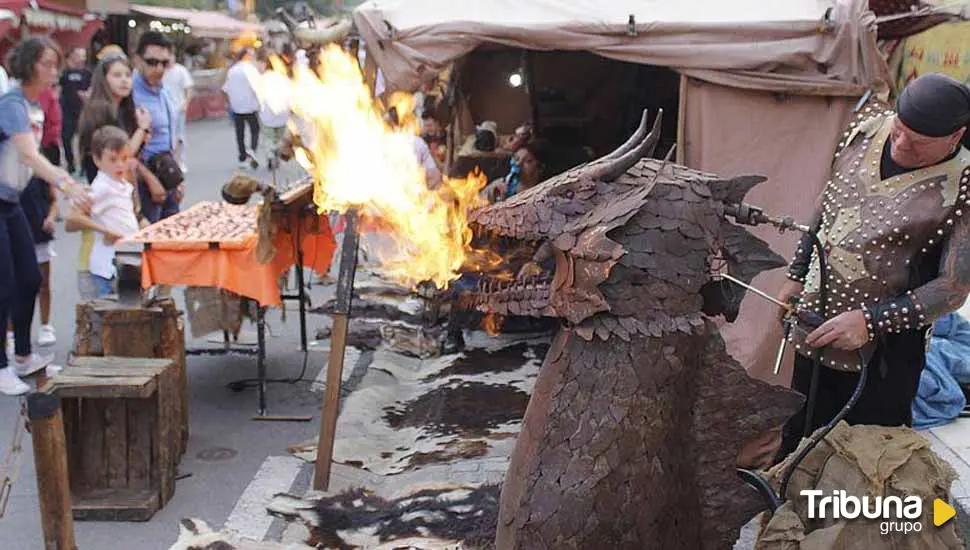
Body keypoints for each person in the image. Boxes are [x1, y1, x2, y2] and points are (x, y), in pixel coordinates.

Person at [775, 73, 970, 460]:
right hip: (817, 315)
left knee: (865, 459)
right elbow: (827, 205)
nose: (900, 145)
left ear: (955, 136)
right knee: (800, 436)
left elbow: (953, 289)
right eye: (899, 130)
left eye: (918, 143)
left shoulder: (963, 184)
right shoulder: (864, 130)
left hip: (887, 349)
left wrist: (871, 322)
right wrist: (797, 272)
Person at [0, 37, 91, 395]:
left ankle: (23, 355)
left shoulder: (33, 104)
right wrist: (67, 184)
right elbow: (27, 155)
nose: (55, 70)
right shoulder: (12, 103)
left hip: (12, 201)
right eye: (47, 63)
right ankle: (2, 365)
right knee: (4, 284)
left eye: (56, 63)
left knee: (30, 278)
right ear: (28, 65)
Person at [73, 51, 160, 299]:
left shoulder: (123, 109)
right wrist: (141, 130)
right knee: (103, 263)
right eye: (117, 75)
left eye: (127, 75)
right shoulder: (100, 110)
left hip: (123, 194)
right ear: (104, 78)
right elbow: (121, 156)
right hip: (103, 195)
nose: (124, 81)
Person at [81, 126, 140, 297]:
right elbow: (74, 217)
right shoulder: (100, 188)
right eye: (113, 160)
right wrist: (105, 231)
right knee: (114, 317)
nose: (120, 165)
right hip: (109, 268)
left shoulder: (122, 185)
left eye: (124, 158)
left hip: (129, 262)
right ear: (97, 160)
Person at [132, 31, 183, 224]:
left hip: (167, 172)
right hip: (143, 180)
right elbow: (125, 150)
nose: (159, 68)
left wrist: (178, 178)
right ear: (138, 60)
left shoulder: (165, 92)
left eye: (165, 63)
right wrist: (149, 180)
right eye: (152, 62)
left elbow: (172, 135)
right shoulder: (130, 95)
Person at [223, 48, 261, 168]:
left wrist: (228, 103)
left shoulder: (232, 70)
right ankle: (252, 150)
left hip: (236, 107)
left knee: (240, 133)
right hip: (250, 106)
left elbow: (224, 89)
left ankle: (242, 156)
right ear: (246, 56)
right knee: (255, 129)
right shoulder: (250, 70)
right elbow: (257, 87)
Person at [59, 46, 92, 174]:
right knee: (66, 138)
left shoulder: (87, 73)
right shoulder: (65, 73)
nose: (82, 58)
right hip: (67, 110)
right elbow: (58, 88)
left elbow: (92, 88)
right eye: (79, 55)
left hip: (83, 111)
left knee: (84, 139)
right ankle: (70, 163)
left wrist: (87, 95)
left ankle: (84, 165)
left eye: (84, 55)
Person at [163, 57, 193, 172]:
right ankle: (171, 161)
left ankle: (181, 161)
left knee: (180, 136)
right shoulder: (161, 71)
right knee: (169, 136)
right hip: (166, 108)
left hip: (178, 108)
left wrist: (186, 103)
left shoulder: (181, 70)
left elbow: (189, 88)